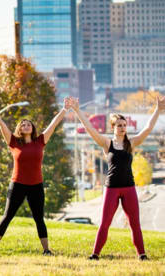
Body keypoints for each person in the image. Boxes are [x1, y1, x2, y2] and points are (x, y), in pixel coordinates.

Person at [70, 95, 164, 260]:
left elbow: (148, 129)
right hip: (111, 188)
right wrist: (78, 111)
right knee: (104, 224)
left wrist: (158, 109)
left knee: (135, 224)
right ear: (113, 127)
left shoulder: (132, 143)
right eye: (119, 125)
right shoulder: (107, 144)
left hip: (129, 188)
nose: (122, 128)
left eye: (124, 125)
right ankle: (95, 254)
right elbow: (90, 129)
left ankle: (142, 255)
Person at [0, 97, 68, 255]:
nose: (26, 125)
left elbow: (53, 124)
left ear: (33, 128)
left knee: (39, 218)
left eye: (28, 124)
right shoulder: (14, 142)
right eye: (23, 124)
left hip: (36, 185)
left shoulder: (40, 141)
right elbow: (2, 124)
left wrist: (64, 109)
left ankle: (46, 250)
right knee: (8, 215)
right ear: (19, 129)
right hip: (17, 185)